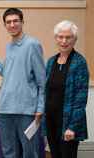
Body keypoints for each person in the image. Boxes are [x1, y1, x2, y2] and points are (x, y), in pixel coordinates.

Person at [0, 8, 46, 158]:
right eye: (8, 22)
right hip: (5, 110)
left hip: (26, 112)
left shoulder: (32, 45)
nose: (12, 25)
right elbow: (8, 72)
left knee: (30, 153)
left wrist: (40, 108)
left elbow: (42, 81)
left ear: (22, 22)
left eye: (15, 21)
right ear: (4, 25)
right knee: (9, 153)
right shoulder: (10, 46)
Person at [41, 20, 89, 158]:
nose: (64, 41)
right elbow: (46, 90)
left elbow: (81, 99)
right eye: (60, 37)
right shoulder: (51, 61)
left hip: (68, 124)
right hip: (51, 121)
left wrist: (72, 127)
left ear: (75, 40)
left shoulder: (79, 62)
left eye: (68, 37)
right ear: (55, 39)